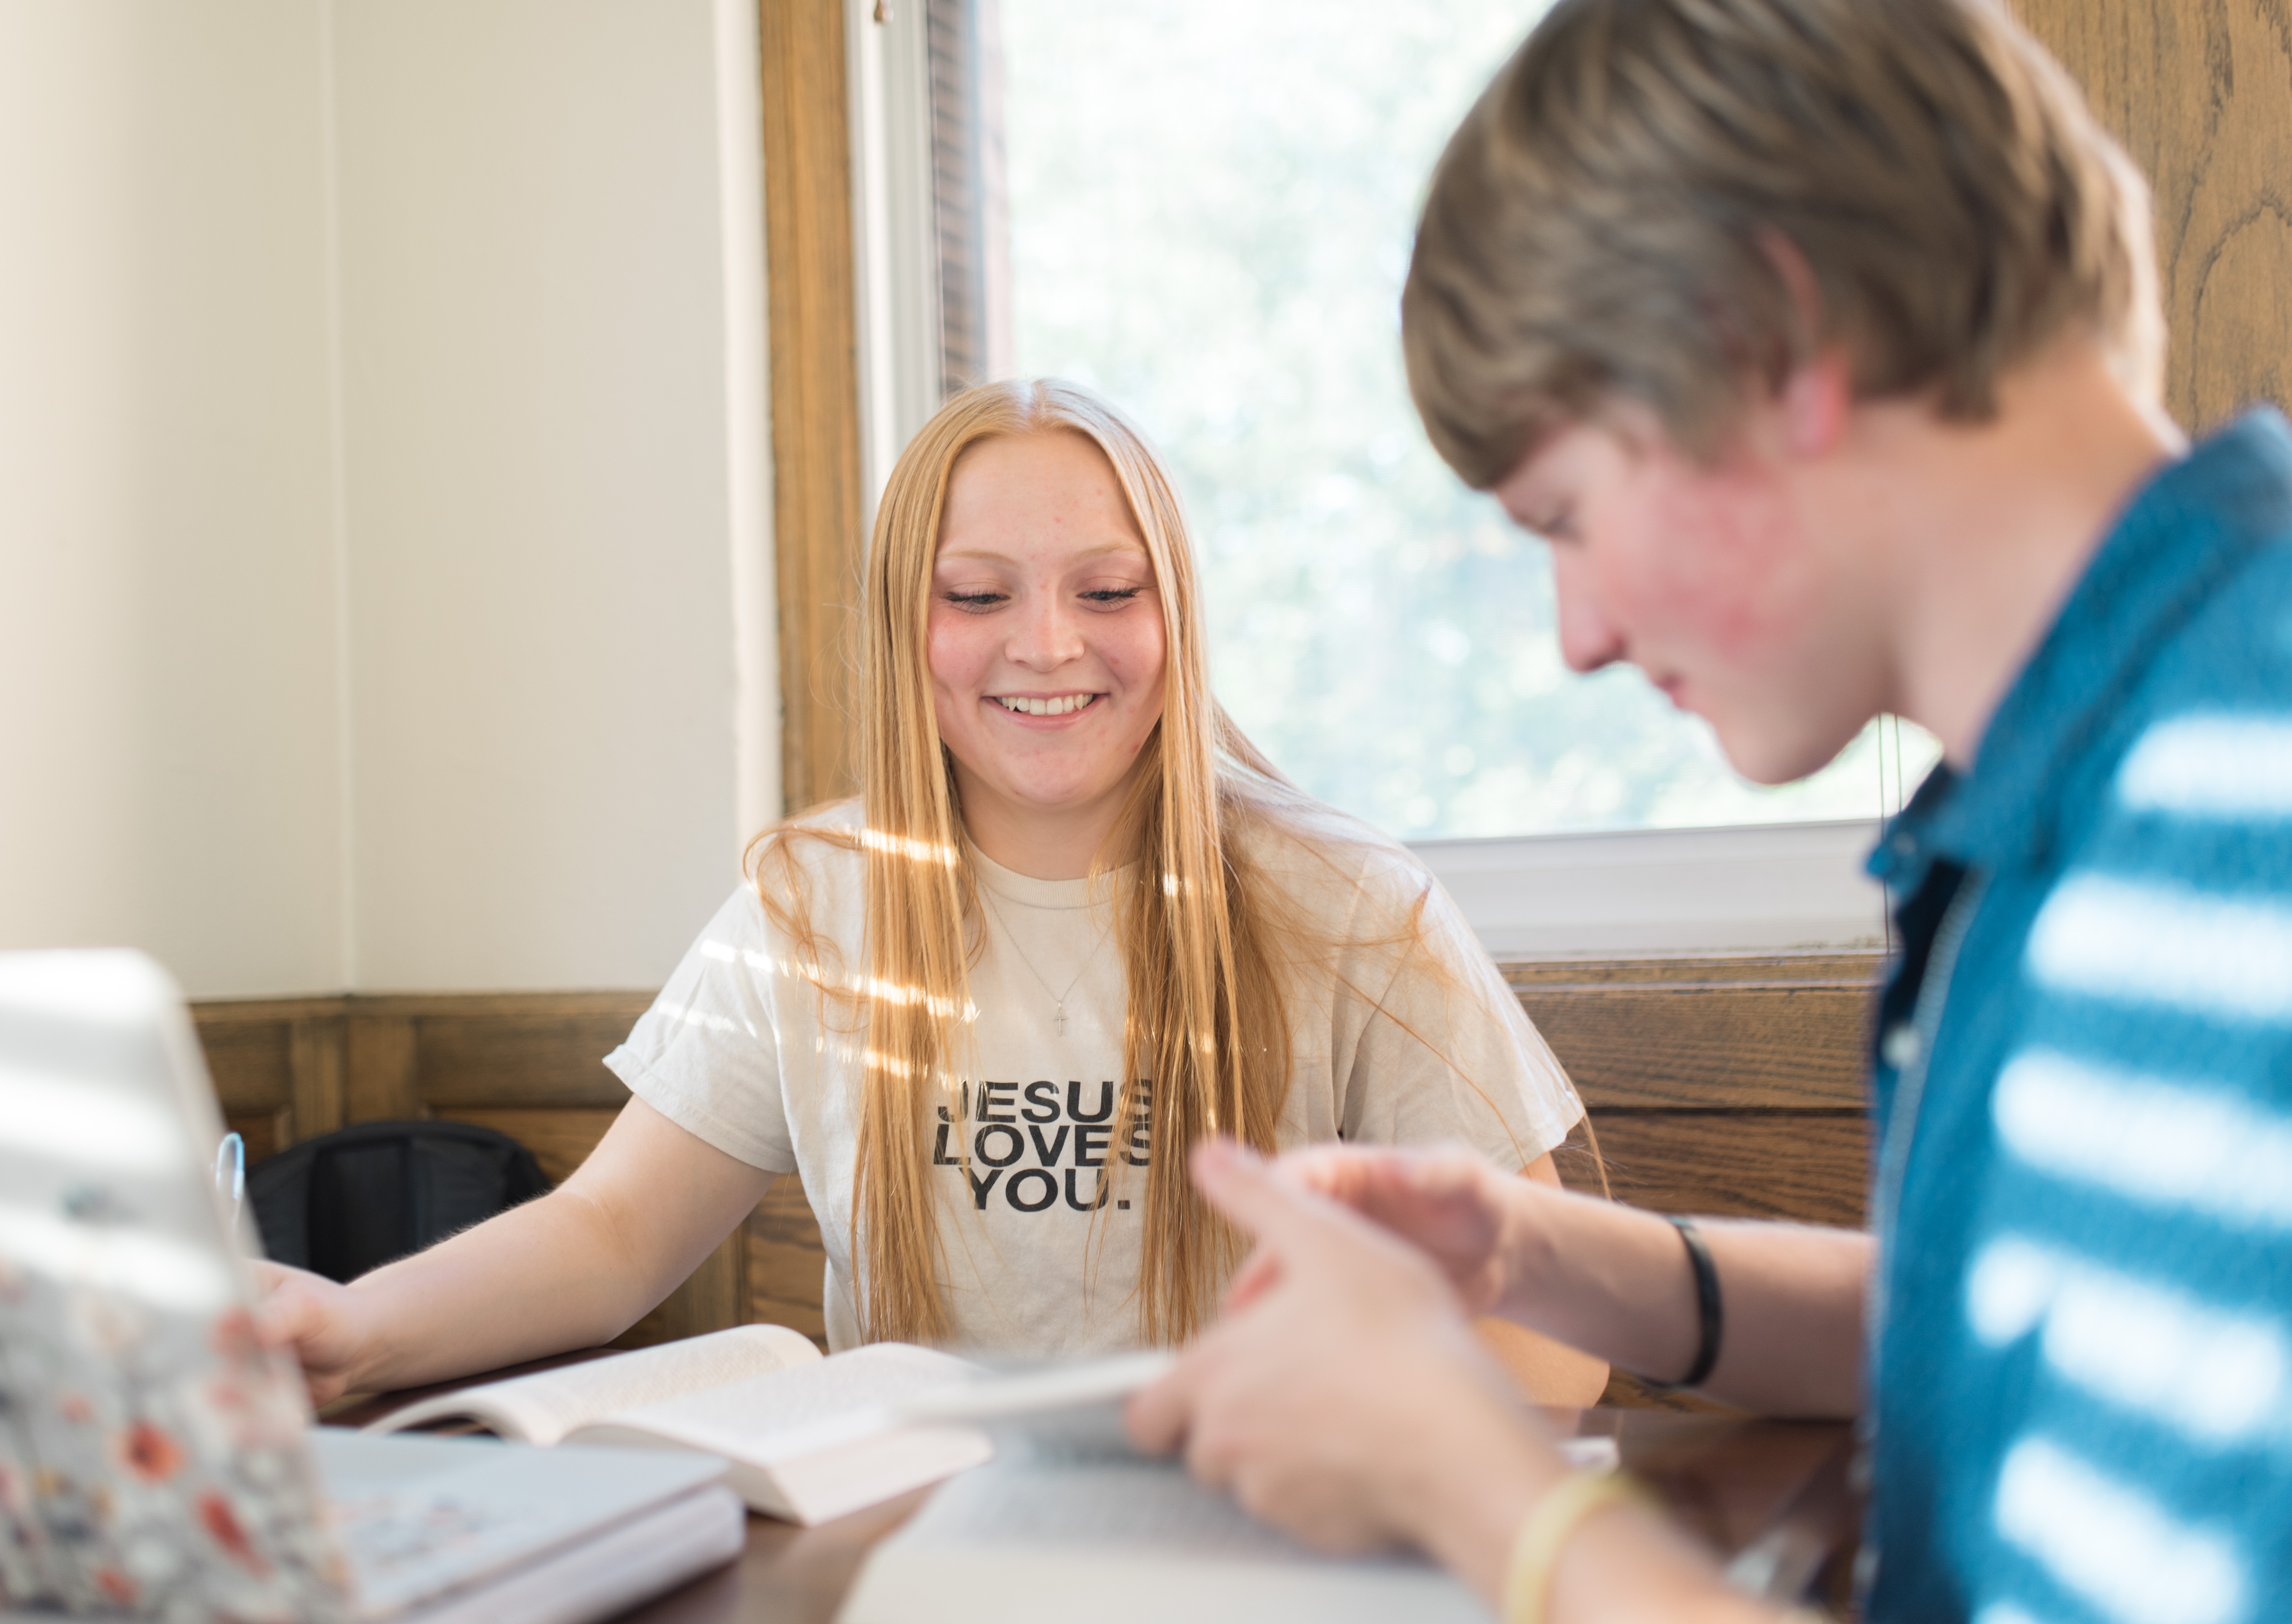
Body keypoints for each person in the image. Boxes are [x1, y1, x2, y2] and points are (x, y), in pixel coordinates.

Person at [1128, 1, 2292, 1620]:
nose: (1577, 633)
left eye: (1568, 516)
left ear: (1765, 345)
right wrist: (1535, 1258)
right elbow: (2026, 1323)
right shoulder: (2107, 764)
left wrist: (1479, 1492)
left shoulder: (2226, 818)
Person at [256, 379, 1605, 1404]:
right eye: (976, 594)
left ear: (1174, 612)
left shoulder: (1350, 900)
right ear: (910, 622)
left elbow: (1555, 1350)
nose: (1045, 644)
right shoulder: (812, 903)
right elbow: (608, 1234)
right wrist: (352, 1329)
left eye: (1107, 589)